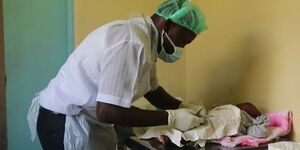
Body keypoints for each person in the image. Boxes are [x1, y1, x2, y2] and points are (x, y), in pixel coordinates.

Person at [27, 0, 208, 149]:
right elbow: (108, 111)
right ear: (168, 25)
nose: (181, 48)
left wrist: (183, 106)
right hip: (65, 122)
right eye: (182, 41)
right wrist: (171, 118)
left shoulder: (148, 42)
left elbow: (151, 90)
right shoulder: (132, 42)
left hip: (83, 119)